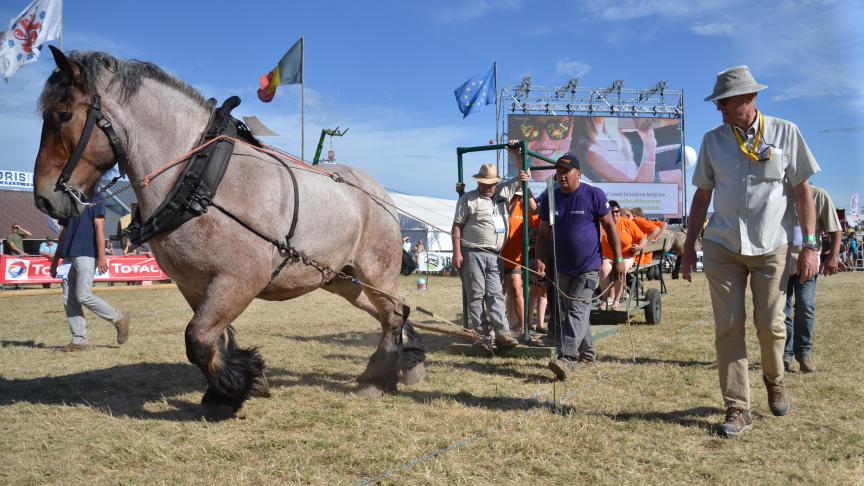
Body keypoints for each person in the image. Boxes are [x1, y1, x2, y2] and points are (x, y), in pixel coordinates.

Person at [681, 66, 820, 438]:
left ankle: (774, 380)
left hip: (772, 246)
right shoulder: (713, 141)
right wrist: (688, 245)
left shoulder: (786, 132)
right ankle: (737, 406)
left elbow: (802, 191)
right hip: (722, 244)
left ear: (748, 98)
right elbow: (702, 196)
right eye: (718, 102)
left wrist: (809, 246)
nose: (719, 109)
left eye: (723, 102)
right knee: (728, 327)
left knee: (771, 325)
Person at [534, 152, 625, 380]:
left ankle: (567, 358)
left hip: (588, 267)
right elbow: (543, 234)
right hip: (562, 267)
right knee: (575, 312)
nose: (561, 176)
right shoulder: (550, 199)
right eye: (558, 172)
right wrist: (540, 260)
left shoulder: (593, 195)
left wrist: (619, 259)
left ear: (579, 174)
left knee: (576, 309)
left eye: (566, 172)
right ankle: (588, 353)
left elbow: (610, 228)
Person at [452, 157, 530, 349]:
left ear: (496, 182)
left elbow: (524, 175)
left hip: (495, 255)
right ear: (478, 181)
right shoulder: (467, 199)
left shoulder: (504, 191)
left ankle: (502, 332)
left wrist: (515, 153)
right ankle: (483, 334)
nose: (486, 186)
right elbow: (456, 227)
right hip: (472, 252)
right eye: (483, 183)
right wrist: (457, 253)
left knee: (495, 293)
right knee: (476, 295)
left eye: (490, 183)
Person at [50, 194, 131, 351]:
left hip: (87, 253)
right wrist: (55, 260)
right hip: (68, 256)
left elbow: (99, 227)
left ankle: (118, 318)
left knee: (82, 295)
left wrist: (102, 256)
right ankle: (79, 340)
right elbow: (64, 232)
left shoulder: (97, 198)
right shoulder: (68, 200)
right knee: (69, 299)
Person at [783, 186, 841, 373]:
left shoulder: (819, 196)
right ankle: (786, 354)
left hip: (808, 262)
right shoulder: (778, 193)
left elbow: (835, 229)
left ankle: (803, 352)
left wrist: (833, 256)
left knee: (805, 305)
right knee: (781, 311)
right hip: (780, 262)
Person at [500, 187, 539, 335]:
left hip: (516, 258)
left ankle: (524, 328)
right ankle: (499, 326)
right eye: (516, 195)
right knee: (500, 293)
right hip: (499, 256)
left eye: (520, 195)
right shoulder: (502, 205)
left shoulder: (527, 209)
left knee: (516, 289)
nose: (518, 198)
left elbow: (537, 221)